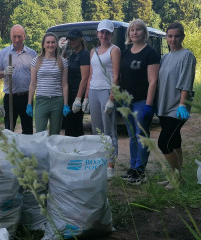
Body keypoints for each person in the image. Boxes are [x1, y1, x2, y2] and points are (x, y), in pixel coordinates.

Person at [119, 19, 160, 184]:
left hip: (142, 101)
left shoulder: (150, 53)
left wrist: (149, 105)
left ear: (145, 33)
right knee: (131, 136)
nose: (134, 33)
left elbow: (153, 81)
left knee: (141, 135)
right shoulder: (126, 52)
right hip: (126, 101)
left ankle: (140, 171)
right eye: (132, 30)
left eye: (138, 30)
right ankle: (133, 167)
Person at [156, 22, 196, 190]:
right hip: (163, 106)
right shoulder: (165, 57)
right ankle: (176, 176)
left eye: (177, 36)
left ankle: (178, 179)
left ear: (183, 37)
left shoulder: (187, 56)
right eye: (170, 36)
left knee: (164, 142)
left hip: (177, 108)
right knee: (175, 141)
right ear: (166, 37)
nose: (173, 39)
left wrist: (181, 105)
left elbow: (186, 82)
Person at [83, 20, 121, 180]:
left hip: (106, 91)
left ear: (111, 34)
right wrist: (85, 98)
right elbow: (90, 76)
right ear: (97, 34)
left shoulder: (115, 50)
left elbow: (116, 76)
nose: (104, 35)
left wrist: (112, 98)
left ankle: (111, 164)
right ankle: (100, 161)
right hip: (93, 90)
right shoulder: (93, 51)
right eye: (101, 32)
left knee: (109, 130)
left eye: (107, 32)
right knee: (96, 129)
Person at [0, 24, 37, 134]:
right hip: (10, 97)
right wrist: (4, 73)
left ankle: (27, 150)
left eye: (19, 36)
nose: (17, 40)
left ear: (24, 36)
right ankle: (10, 150)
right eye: (14, 36)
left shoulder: (32, 54)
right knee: (9, 128)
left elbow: (37, 76)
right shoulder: (3, 53)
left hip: (27, 97)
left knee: (28, 128)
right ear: (10, 36)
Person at [26, 32, 71, 135]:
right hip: (41, 100)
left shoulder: (63, 62)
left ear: (56, 44)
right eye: (48, 42)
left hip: (57, 101)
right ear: (43, 44)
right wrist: (29, 104)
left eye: (53, 42)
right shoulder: (35, 61)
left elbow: (64, 85)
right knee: (40, 133)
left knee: (55, 134)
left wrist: (65, 104)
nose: (50, 45)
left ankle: (53, 151)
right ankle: (41, 151)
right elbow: (32, 84)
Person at [64, 28, 90, 137]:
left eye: (74, 39)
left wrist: (78, 99)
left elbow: (85, 78)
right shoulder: (73, 54)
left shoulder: (84, 55)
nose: (72, 41)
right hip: (69, 95)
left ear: (80, 39)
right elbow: (63, 67)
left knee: (76, 126)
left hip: (76, 95)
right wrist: (64, 51)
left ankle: (78, 151)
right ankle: (70, 151)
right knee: (69, 126)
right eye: (70, 39)